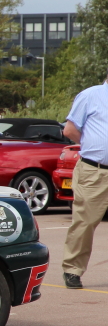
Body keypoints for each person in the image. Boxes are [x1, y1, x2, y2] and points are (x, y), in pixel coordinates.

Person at [60, 75, 108, 289]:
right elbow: (69, 130)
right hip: (94, 170)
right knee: (85, 222)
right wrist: (90, 142)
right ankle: (73, 270)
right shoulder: (90, 95)